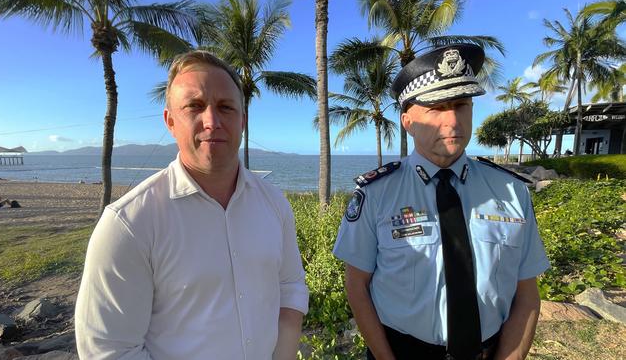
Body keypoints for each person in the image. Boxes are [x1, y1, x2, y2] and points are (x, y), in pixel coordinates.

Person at [75, 50, 309, 359]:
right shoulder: (129, 224)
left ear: (243, 121)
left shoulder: (274, 204)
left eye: (226, 107)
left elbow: (290, 287)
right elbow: (109, 351)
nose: (212, 121)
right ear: (170, 121)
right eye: (194, 106)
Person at [333, 44, 550, 360]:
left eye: (461, 105)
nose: (453, 121)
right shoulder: (377, 194)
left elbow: (527, 294)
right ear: (408, 121)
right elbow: (357, 287)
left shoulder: (511, 192)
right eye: (436, 108)